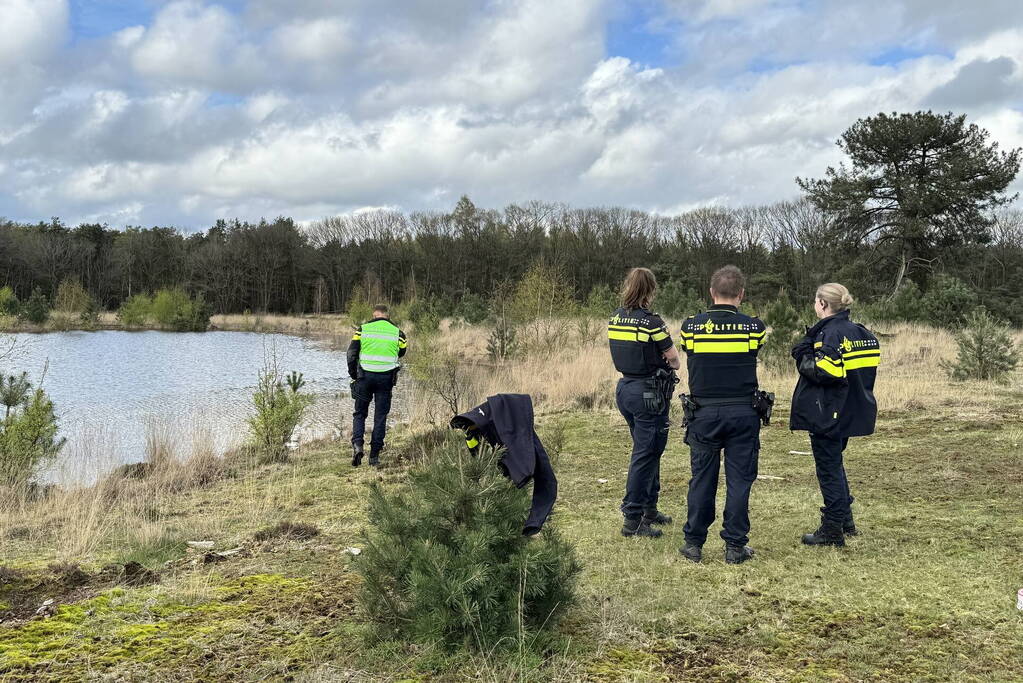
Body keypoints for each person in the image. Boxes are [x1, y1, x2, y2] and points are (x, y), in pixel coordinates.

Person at [678, 266, 768, 564]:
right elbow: (756, 350)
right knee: (740, 479)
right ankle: (734, 546)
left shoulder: (690, 327)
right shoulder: (755, 328)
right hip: (743, 412)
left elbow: (686, 351)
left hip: (703, 412)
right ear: (741, 294)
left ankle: (693, 543)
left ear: (711, 292)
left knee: (702, 478)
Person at [790, 283, 880, 547]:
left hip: (828, 413)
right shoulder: (862, 332)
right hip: (852, 409)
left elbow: (825, 371)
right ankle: (845, 520)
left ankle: (832, 530)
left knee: (828, 469)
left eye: (815, 301)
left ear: (823, 304)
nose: (813, 305)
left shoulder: (829, 334)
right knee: (835, 463)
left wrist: (803, 355)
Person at [608, 267, 681, 539]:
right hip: (648, 390)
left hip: (625, 388)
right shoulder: (651, 322)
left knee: (648, 449)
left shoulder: (616, 318)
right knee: (647, 451)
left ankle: (650, 509)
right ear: (650, 290)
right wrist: (669, 363)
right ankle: (633, 518)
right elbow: (673, 358)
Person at [347, 304, 408, 467]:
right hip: (386, 379)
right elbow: (402, 351)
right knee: (380, 416)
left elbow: (351, 353)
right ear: (387, 315)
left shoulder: (363, 329)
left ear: (374, 315)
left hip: (364, 377)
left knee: (359, 414)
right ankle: (374, 456)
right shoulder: (398, 333)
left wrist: (354, 374)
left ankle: (358, 445)